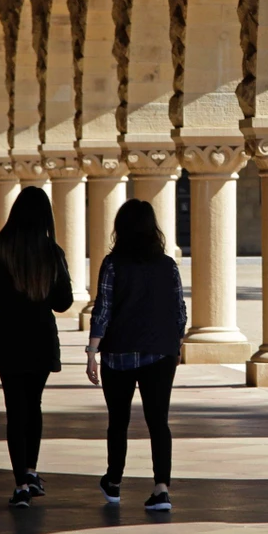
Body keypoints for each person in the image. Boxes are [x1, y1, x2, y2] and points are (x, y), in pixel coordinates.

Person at [0, 187, 74, 509]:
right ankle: (31, 470)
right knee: (35, 404)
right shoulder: (51, 252)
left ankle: (20, 484)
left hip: (7, 337)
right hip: (40, 337)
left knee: (15, 410)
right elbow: (64, 302)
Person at [86, 199, 187, 512]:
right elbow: (180, 311)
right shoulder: (167, 265)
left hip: (119, 354)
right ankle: (161, 489)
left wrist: (92, 351)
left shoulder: (113, 264)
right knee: (159, 422)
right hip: (160, 353)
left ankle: (114, 482)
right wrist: (174, 344)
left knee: (118, 421)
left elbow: (103, 309)